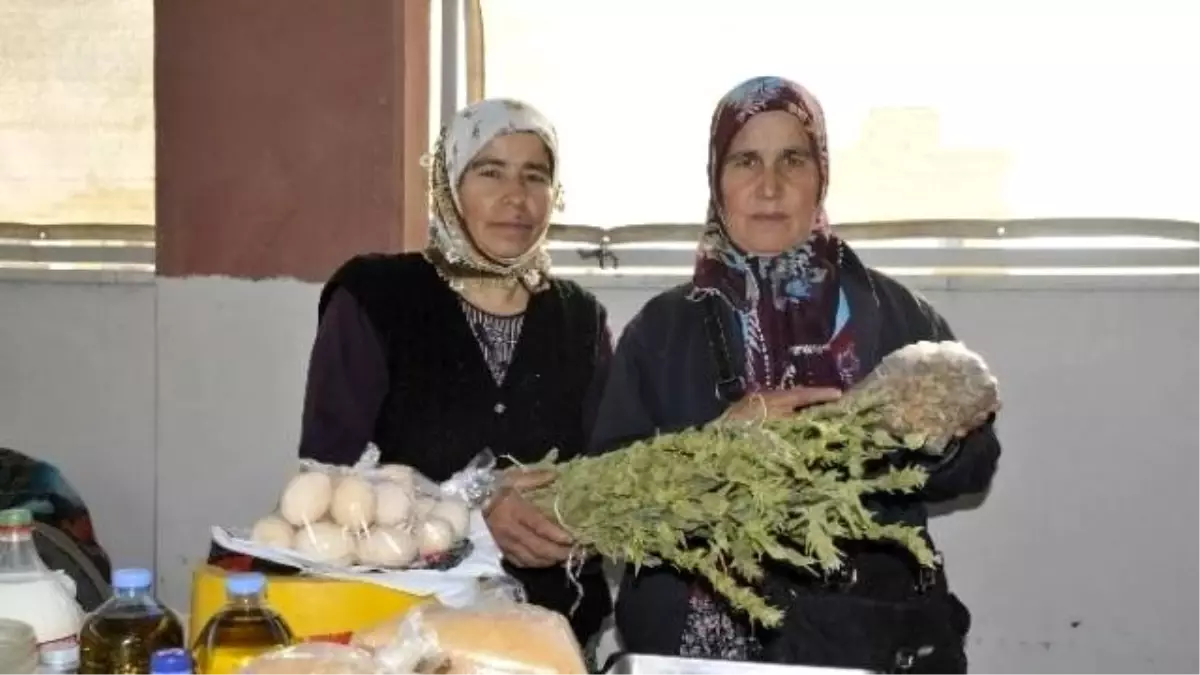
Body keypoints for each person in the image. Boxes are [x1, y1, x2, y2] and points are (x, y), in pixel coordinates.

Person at [589, 76, 1001, 674]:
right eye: (745, 160)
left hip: (862, 638)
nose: (770, 185)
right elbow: (607, 496)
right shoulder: (664, 328)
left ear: (821, 174)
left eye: (793, 158)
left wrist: (927, 436)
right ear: (716, 178)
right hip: (694, 647)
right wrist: (714, 449)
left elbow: (976, 462)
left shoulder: (892, 315)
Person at [296, 98, 613, 646]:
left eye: (534, 176)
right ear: (448, 185)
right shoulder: (377, 297)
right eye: (490, 172)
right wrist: (468, 506)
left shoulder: (579, 318)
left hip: (545, 636)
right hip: (401, 629)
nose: (516, 198)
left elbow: (606, 467)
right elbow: (326, 477)